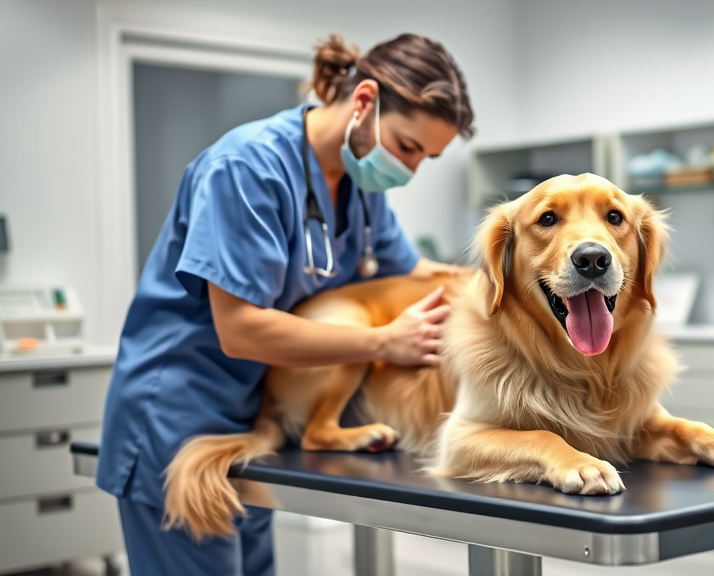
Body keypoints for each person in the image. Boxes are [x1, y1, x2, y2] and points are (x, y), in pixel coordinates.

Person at [95, 32, 474, 575]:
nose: (411, 170)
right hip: (177, 418)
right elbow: (241, 330)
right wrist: (384, 341)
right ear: (364, 101)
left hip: (256, 420)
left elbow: (413, 270)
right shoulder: (246, 169)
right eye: (408, 146)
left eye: (426, 158)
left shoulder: (361, 186)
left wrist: (518, 282)